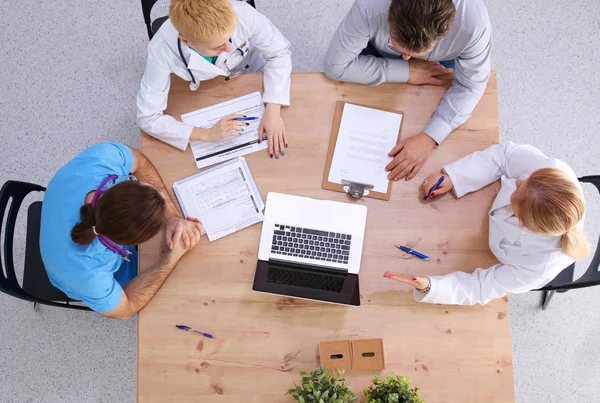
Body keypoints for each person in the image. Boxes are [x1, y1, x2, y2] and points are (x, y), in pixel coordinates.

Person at [383, 142, 590, 305]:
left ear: (524, 223)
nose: (517, 181)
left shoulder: (540, 266)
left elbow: (481, 288)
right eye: (526, 180)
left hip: (480, 253)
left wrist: (430, 287)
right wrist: (454, 176)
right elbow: (505, 156)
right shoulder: (554, 171)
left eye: (518, 190)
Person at [324, 0, 492, 181]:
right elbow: (336, 67)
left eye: (414, 54)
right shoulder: (369, 6)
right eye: (399, 47)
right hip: (378, 50)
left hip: (441, 62)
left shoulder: (474, 24)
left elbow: (470, 86)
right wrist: (405, 71)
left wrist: (430, 137)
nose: (405, 58)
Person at [40, 143, 203, 319]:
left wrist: (173, 216)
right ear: (128, 244)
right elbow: (126, 308)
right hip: (67, 274)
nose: (161, 194)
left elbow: (140, 162)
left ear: (113, 187)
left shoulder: (104, 158)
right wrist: (170, 258)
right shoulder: (91, 275)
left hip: (56, 223)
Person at [137, 0, 292, 159]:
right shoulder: (161, 50)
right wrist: (206, 134)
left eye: (229, 38)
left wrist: (273, 109)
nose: (229, 49)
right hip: (202, 91)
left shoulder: (243, 13)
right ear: (186, 41)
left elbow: (279, 53)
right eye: (218, 47)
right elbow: (147, 117)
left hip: (249, 70)